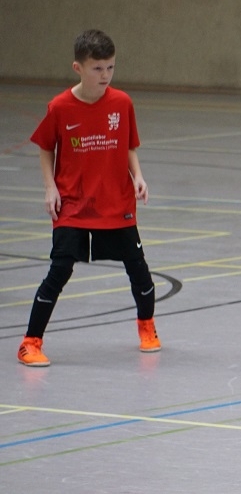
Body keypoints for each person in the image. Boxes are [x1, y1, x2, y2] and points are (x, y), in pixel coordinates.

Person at [17, 29, 160, 367]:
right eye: (97, 69)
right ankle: (30, 343)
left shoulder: (122, 103)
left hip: (116, 203)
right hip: (73, 204)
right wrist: (50, 187)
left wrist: (138, 176)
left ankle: (146, 325)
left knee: (139, 271)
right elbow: (45, 147)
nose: (105, 75)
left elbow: (129, 145)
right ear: (78, 68)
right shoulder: (60, 107)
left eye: (110, 67)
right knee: (59, 270)